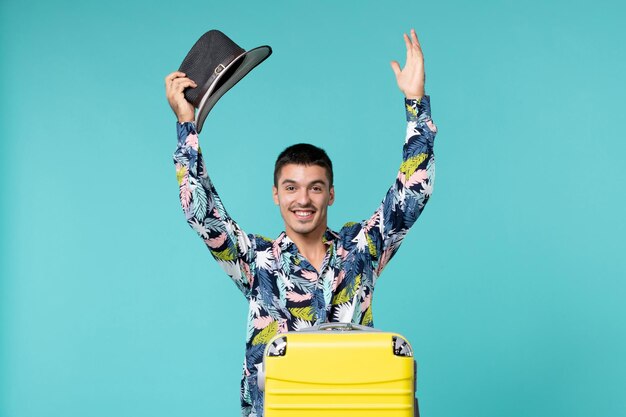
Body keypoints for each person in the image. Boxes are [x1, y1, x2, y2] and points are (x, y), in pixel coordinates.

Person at [165, 29, 437, 417]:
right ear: (276, 195)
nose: (303, 200)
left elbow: (413, 192)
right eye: (291, 188)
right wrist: (186, 126)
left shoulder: (360, 250)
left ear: (330, 194)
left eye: (315, 188)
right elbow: (202, 213)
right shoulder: (257, 262)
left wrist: (415, 102)